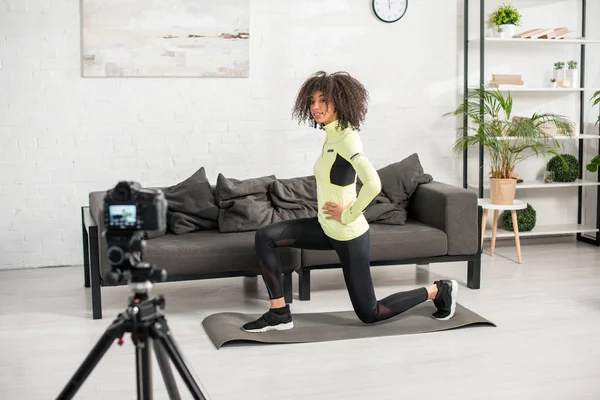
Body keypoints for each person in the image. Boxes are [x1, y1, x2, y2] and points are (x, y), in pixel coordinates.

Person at [242, 71, 457, 333]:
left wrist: (348, 214)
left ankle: (437, 290)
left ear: (340, 102)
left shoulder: (347, 138)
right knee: (265, 236)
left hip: (348, 235)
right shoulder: (331, 135)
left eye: (323, 100)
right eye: (312, 101)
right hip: (325, 228)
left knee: (371, 313)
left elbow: (373, 183)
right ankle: (279, 312)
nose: (316, 107)